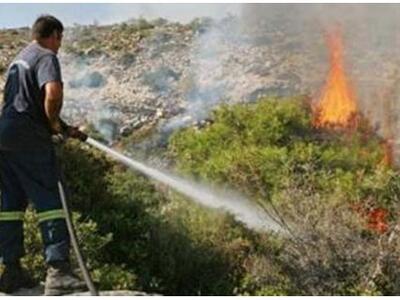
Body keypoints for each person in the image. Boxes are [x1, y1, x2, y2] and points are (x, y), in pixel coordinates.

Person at [0, 15, 87, 295]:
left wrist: (65, 128)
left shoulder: (20, 58)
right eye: (60, 39)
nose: (60, 46)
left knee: (10, 205)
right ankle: (58, 271)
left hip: (5, 136)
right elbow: (52, 92)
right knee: (50, 198)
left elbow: (23, 103)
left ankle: (11, 271)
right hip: (30, 138)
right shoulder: (46, 56)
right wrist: (52, 126)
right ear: (55, 35)